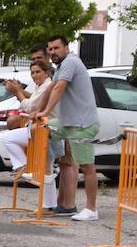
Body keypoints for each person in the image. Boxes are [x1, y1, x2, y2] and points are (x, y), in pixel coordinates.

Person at [31, 35, 100, 221]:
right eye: (50, 49)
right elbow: (50, 88)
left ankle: (91, 210)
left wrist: (45, 111)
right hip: (66, 122)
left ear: (66, 47)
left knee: (87, 166)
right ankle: (40, 168)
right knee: (39, 128)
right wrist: (38, 111)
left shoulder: (70, 62)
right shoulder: (62, 65)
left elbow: (59, 88)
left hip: (81, 124)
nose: (53, 52)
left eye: (56, 48)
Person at [0, 59, 59, 209]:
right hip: (41, 130)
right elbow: (33, 100)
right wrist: (19, 90)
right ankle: (49, 205)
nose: (34, 75)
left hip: (47, 130)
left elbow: (31, 107)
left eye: (38, 72)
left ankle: (24, 166)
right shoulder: (42, 86)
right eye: (32, 72)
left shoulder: (47, 86)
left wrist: (18, 92)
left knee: (8, 138)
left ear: (47, 73)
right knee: (47, 169)